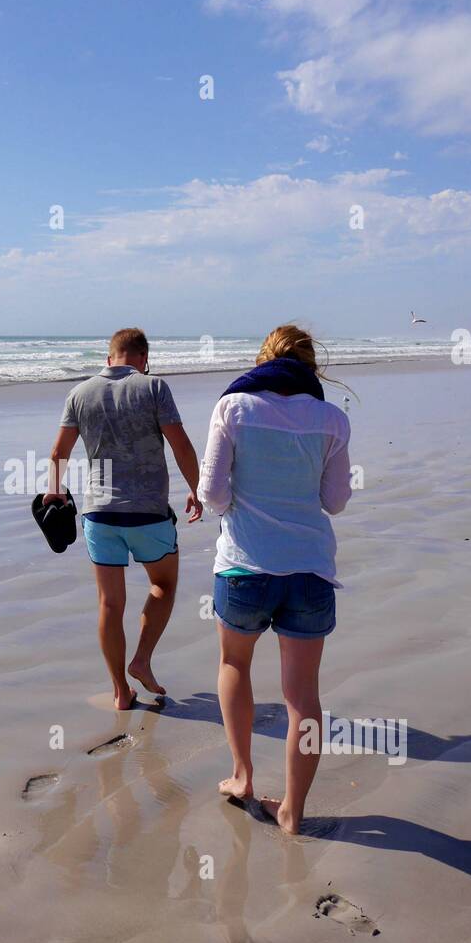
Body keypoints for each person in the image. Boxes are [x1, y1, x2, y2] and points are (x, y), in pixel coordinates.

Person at [197, 325, 352, 833]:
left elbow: (213, 494)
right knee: (303, 697)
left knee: (234, 665)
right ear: (311, 366)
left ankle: (241, 777)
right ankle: (292, 810)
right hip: (309, 569)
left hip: (245, 565)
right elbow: (335, 501)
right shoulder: (332, 419)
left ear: (262, 359)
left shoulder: (233, 408)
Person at [45, 328, 202, 710]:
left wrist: (53, 492)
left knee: (109, 604)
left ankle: (119, 691)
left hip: (99, 514)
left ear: (108, 357)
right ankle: (142, 660)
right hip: (147, 512)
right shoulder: (153, 387)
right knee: (162, 586)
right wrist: (198, 489)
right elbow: (180, 443)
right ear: (144, 359)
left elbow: (58, 454)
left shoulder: (79, 393)